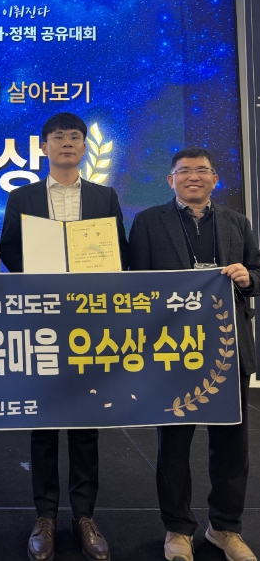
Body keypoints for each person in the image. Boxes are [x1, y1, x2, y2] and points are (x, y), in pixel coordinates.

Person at [0, 112, 129, 561]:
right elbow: (9, 249)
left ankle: (84, 516)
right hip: (41, 319)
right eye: (58, 137)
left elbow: (118, 251)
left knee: (85, 422)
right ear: (44, 147)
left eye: (75, 137)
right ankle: (45, 517)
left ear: (85, 146)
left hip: (88, 321)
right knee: (43, 423)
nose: (67, 143)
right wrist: (42, 276)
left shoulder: (103, 196)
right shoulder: (22, 196)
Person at [129, 147, 259, 561]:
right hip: (172, 351)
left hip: (226, 349)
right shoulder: (148, 222)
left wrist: (247, 278)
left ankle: (225, 528)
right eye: (184, 171)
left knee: (232, 446)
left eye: (202, 170)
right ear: (171, 180)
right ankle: (177, 529)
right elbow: (135, 285)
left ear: (215, 179)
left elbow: (257, 273)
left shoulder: (238, 223)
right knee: (173, 446)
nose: (193, 177)